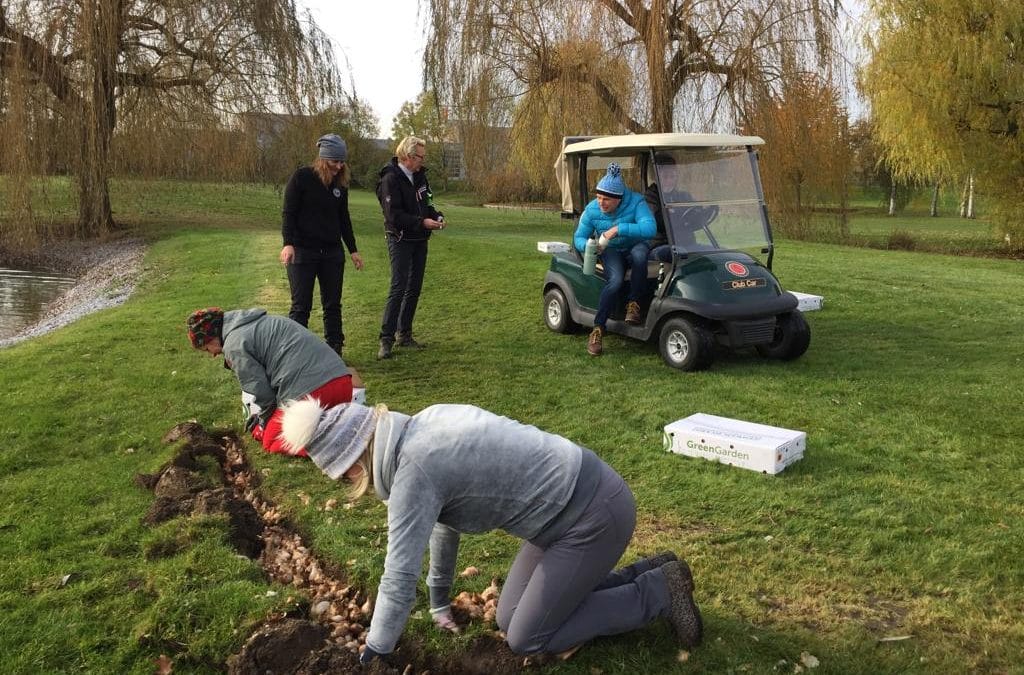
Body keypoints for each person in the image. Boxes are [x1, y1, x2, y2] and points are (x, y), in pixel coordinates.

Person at [278, 397, 703, 664]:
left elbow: (399, 574)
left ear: (354, 459)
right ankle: (645, 573)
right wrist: (439, 602)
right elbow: (443, 524)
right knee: (507, 616)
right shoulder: (422, 427)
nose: (351, 484)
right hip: (568, 514)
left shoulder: (415, 469)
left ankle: (658, 592)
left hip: (592, 516)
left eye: (342, 476)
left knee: (527, 637)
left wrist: (376, 651)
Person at [185, 307, 362, 455]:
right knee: (300, 425)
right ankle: (344, 426)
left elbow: (262, 393)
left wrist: (263, 423)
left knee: (272, 440)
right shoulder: (255, 322)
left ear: (211, 337)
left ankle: (340, 446)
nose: (213, 354)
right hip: (342, 383)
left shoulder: (234, 345)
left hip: (314, 392)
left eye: (207, 349)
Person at [280, 133, 364, 356]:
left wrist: (353, 250)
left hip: (332, 253)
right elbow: (288, 213)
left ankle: (334, 350)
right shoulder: (301, 178)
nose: (339, 166)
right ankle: (295, 354)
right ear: (322, 159)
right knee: (301, 306)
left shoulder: (340, 185)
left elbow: (343, 219)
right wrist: (288, 244)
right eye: (334, 161)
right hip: (303, 252)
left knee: (333, 305)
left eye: (342, 161)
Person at [573, 163, 656, 355]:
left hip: (636, 245)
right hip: (611, 251)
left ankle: (633, 305)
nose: (601, 203)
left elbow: (650, 229)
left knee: (640, 254)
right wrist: (589, 245)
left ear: (619, 199)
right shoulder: (592, 209)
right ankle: (598, 329)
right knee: (616, 280)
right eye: (599, 197)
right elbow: (578, 237)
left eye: (607, 199)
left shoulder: (636, 202)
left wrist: (619, 229)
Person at [375, 136, 445, 360]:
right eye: (419, 157)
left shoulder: (421, 176)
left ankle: (404, 334)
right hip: (400, 238)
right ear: (406, 157)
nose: (422, 162)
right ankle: (386, 339)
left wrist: (437, 216)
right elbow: (393, 215)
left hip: (420, 240)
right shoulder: (390, 179)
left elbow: (429, 201)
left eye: (423, 158)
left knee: (414, 287)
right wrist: (421, 222)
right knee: (398, 287)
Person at [644, 153, 694, 263]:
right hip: (659, 245)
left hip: (686, 243)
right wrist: (677, 215)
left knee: (718, 253)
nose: (669, 181)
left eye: (673, 177)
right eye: (665, 177)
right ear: (656, 177)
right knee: (678, 253)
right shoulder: (650, 197)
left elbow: (694, 217)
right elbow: (658, 222)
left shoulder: (683, 196)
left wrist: (702, 212)